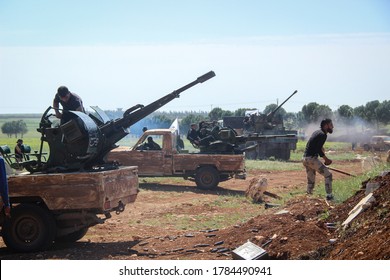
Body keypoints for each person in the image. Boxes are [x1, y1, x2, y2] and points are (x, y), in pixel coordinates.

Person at [302, 118, 334, 200]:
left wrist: (322, 149)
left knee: (311, 180)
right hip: (312, 159)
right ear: (326, 125)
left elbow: (315, 144)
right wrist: (326, 159)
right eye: (331, 125)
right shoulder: (323, 135)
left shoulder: (317, 132)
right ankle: (329, 196)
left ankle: (308, 196)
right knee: (328, 175)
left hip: (305, 159)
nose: (332, 127)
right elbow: (318, 149)